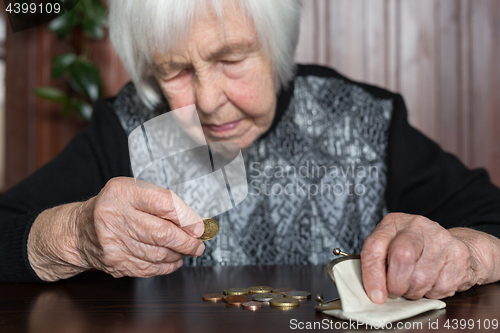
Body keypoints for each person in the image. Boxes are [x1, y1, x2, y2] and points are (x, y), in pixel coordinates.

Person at [1, 0, 500, 305]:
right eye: (173, 70)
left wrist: (467, 254)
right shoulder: (128, 125)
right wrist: (74, 235)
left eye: (231, 59)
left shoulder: (363, 118)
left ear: (276, 46)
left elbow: (491, 218)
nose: (207, 99)